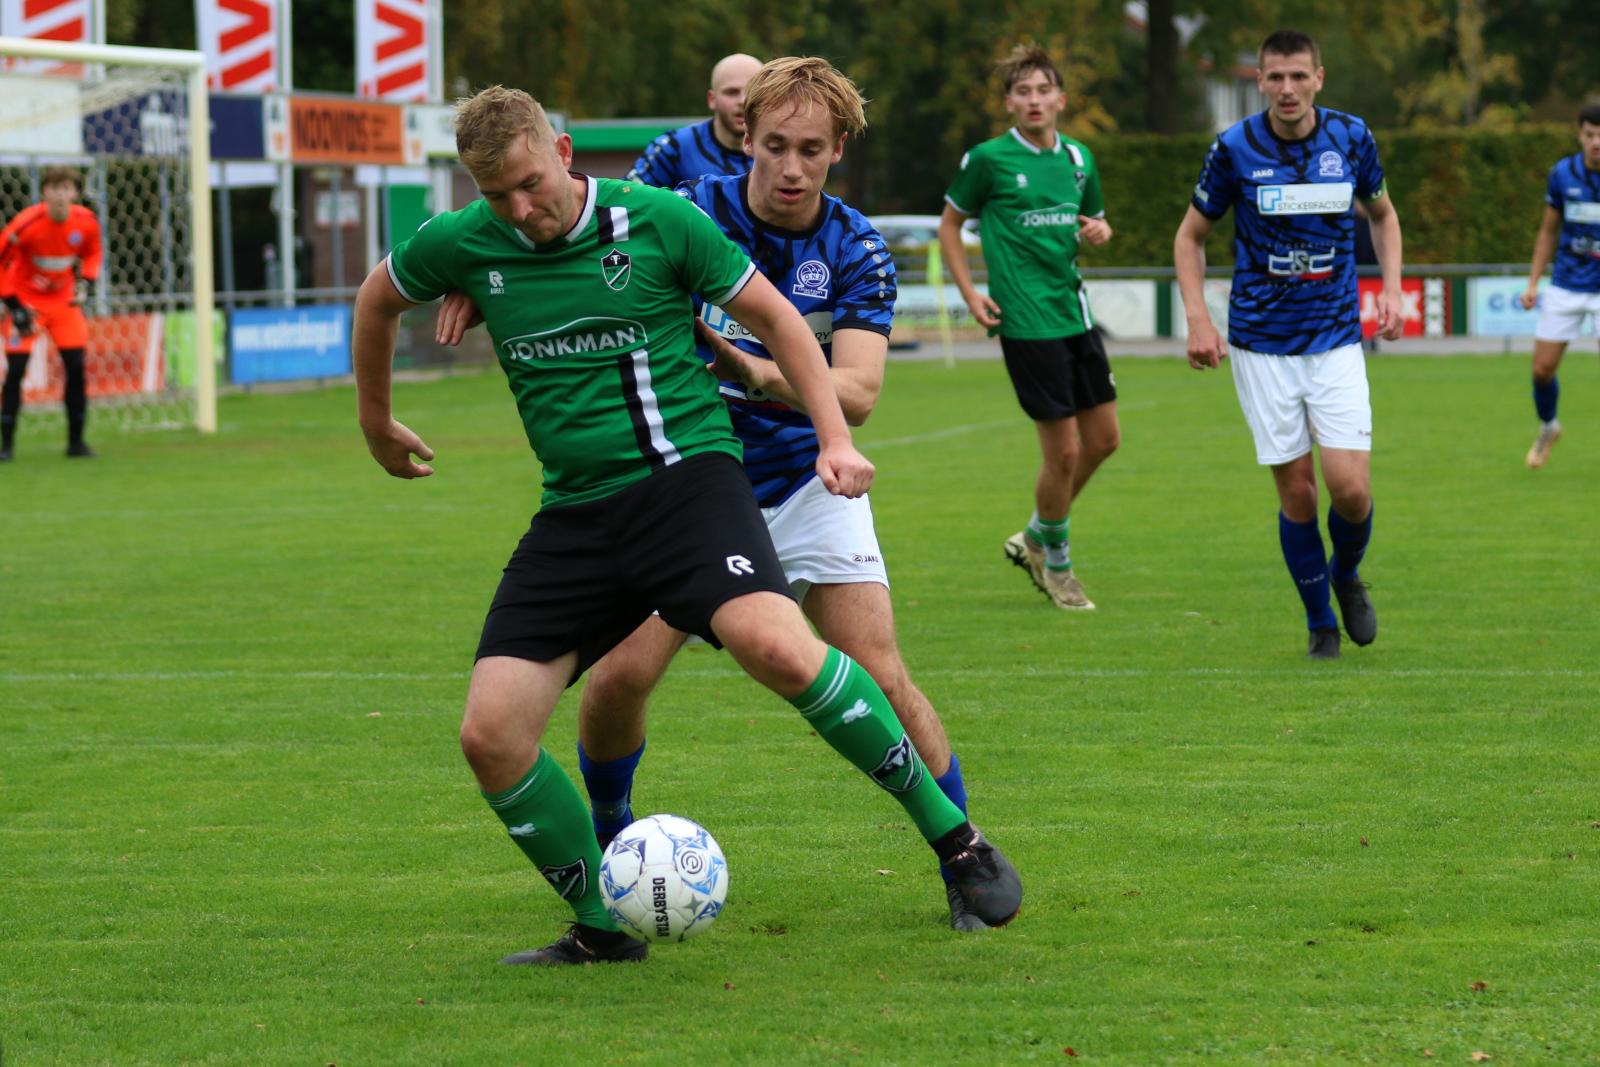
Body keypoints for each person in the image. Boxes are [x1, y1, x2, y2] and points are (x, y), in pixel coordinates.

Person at [354, 85, 1021, 966]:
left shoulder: (659, 219)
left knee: (782, 649)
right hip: (576, 514)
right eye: (494, 195)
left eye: (528, 183)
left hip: (688, 484)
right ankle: (602, 922)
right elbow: (375, 299)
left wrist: (833, 439)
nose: (520, 208)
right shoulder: (469, 242)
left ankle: (958, 842)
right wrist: (375, 418)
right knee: (492, 734)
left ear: (562, 148)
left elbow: (778, 319)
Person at [1173, 28, 1404, 660]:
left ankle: (1347, 574)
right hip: (1260, 345)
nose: (1287, 89)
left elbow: (1382, 215)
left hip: (1334, 339)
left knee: (1350, 488)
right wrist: (1198, 318)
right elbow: (1189, 237)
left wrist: (1390, 289)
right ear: (1260, 81)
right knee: (1298, 491)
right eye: (1275, 77)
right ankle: (1319, 623)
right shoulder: (1234, 148)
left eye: (1299, 76)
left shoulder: (1352, 138)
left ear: (1319, 79)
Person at [937, 44, 1118, 612]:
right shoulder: (988, 160)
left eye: (1043, 90)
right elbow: (949, 226)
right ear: (1009, 102)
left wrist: (1101, 232)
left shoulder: (1079, 158)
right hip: (1026, 321)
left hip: (1076, 315)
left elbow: (1097, 219)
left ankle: (1035, 535)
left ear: (1061, 99)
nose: (1034, 100)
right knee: (1062, 453)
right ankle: (1056, 562)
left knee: (1105, 440)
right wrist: (971, 294)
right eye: (1022, 91)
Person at [0, 166, 103, 461]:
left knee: (75, 367)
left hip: (63, 304)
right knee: (16, 370)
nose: (60, 194)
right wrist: (14, 306)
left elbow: (93, 253)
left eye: (66, 188)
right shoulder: (26, 224)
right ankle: (6, 446)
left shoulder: (86, 222)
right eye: (54, 188)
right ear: (44, 192)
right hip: (27, 302)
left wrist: (87, 281)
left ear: (75, 193)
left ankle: (76, 443)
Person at [1519, 103, 1600, 469]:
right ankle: (1549, 427)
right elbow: (1548, 231)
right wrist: (1534, 282)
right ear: (1580, 135)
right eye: (1590, 134)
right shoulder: (1562, 174)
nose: (1596, 142)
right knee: (1541, 370)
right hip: (1567, 284)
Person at [626, 53, 762, 188]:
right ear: (712, 100)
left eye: (752, 92)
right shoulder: (673, 148)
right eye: (731, 92)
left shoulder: (778, 149)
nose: (743, 101)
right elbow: (628, 200)